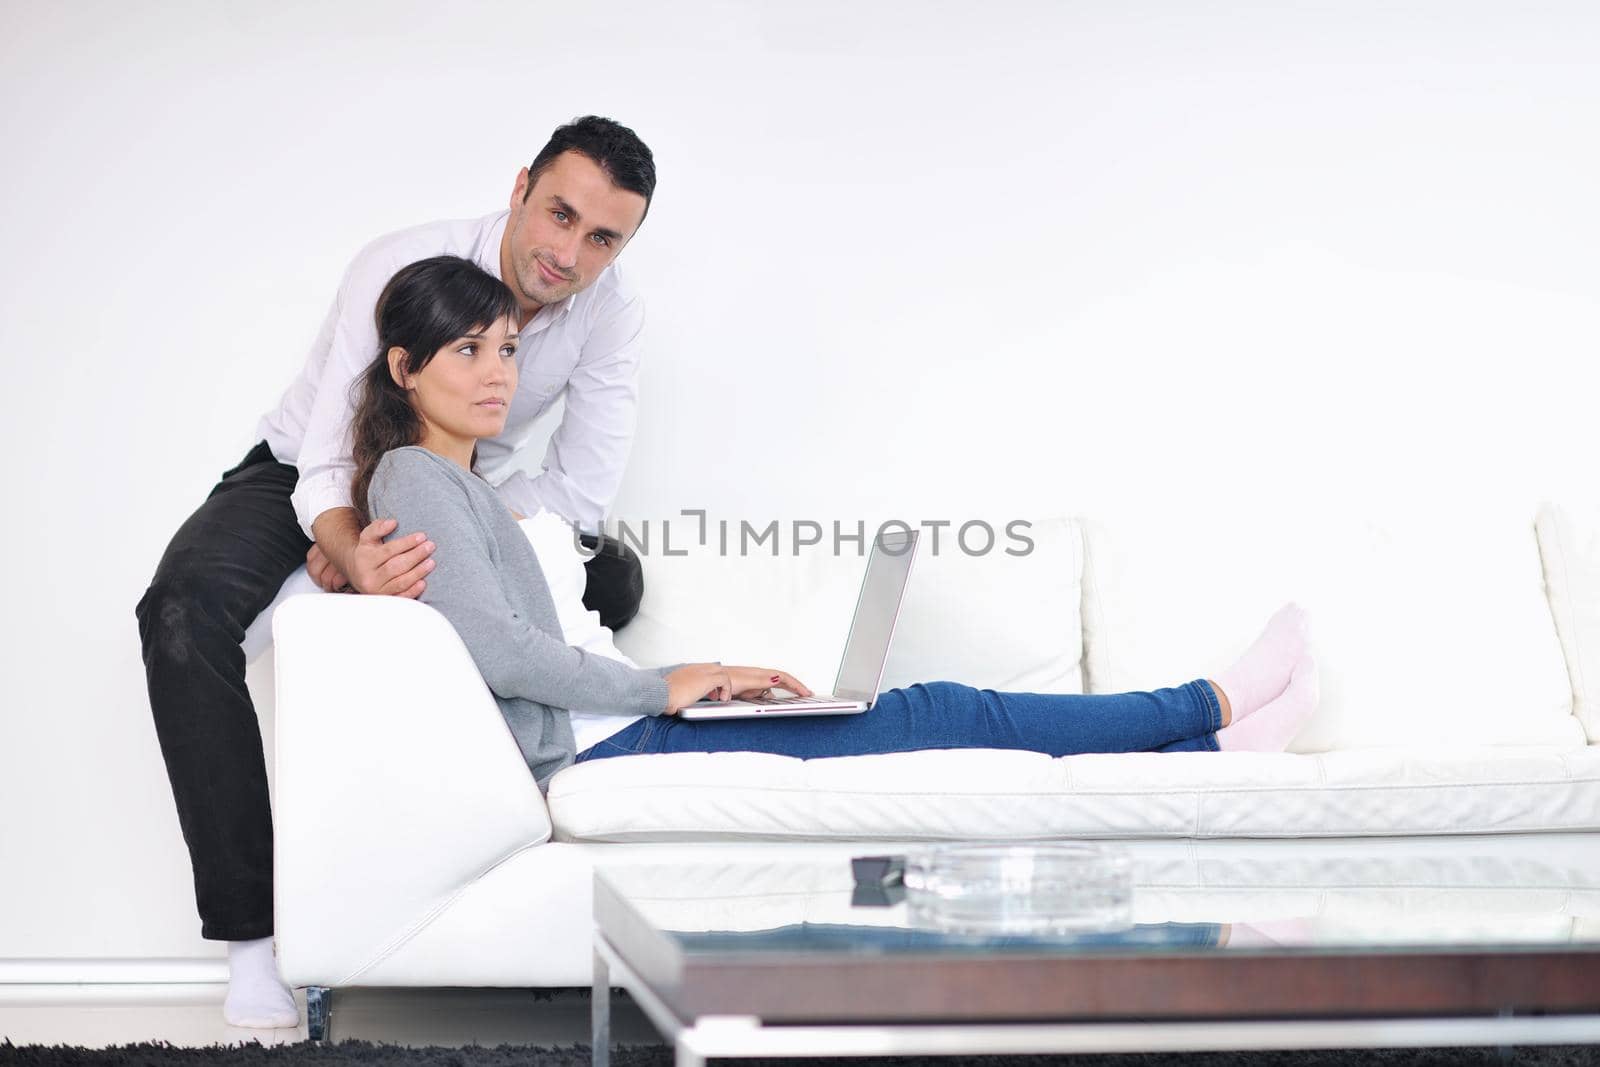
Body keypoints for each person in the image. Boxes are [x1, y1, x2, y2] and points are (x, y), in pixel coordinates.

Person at [361, 255, 1321, 799]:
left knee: (931, 715)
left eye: (510, 349)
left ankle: (1210, 753)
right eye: (469, 350)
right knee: (947, 711)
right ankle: (1209, 706)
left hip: (629, 721)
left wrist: (703, 684)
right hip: (613, 740)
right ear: (405, 368)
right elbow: (505, 652)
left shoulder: (485, 485)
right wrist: (669, 686)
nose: (499, 372)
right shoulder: (413, 473)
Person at [134, 116, 658, 1029]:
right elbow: (332, 467)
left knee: (614, 580)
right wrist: (347, 547)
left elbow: (576, 491)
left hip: (458, 479)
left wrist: (457, 531)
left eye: (602, 238)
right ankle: (253, 937)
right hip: (307, 468)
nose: (567, 253)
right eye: (559, 214)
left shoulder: (609, 318)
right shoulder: (399, 262)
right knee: (180, 613)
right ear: (522, 184)